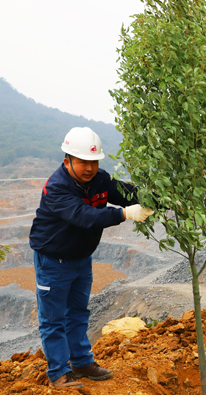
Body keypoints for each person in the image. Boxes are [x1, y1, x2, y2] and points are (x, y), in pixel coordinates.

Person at [29, 127, 154, 388]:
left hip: (81, 258)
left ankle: (82, 362)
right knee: (53, 320)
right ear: (67, 161)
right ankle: (59, 374)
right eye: (83, 161)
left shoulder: (100, 180)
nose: (89, 167)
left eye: (93, 162)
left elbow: (126, 193)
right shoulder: (57, 187)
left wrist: (161, 198)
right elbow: (84, 217)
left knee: (78, 313)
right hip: (53, 261)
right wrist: (125, 214)